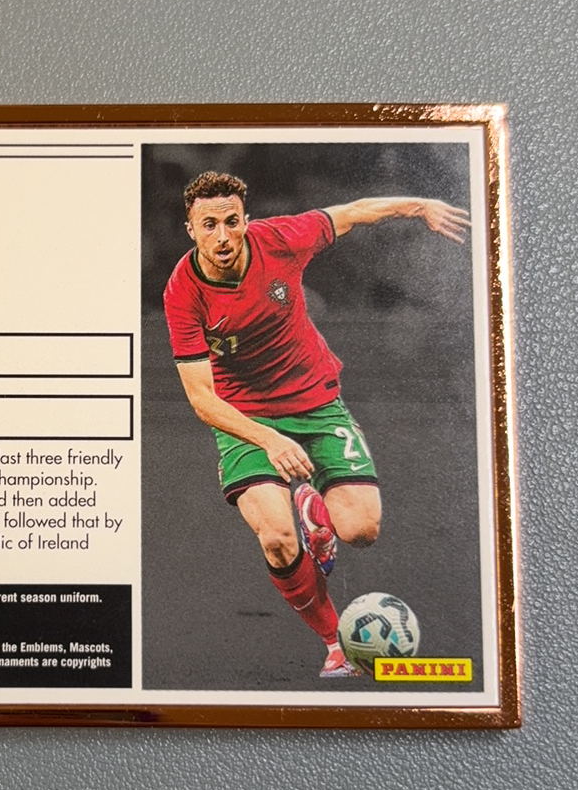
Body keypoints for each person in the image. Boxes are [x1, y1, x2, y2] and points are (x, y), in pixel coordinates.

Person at [163, 170, 469, 677]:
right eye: (210, 225)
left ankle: (318, 513)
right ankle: (334, 642)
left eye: (232, 221)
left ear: (246, 220)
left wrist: (419, 206)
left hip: (316, 401)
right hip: (245, 417)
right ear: (191, 229)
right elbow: (201, 398)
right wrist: (268, 438)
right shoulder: (182, 292)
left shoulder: (282, 239)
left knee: (361, 530)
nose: (223, 235)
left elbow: (353, 211)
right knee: (277, 537)